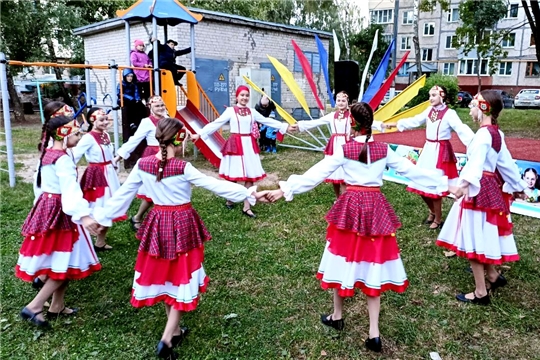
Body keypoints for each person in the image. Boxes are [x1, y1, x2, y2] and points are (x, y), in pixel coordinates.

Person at [264, 102, 449, 352]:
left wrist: (284, 189)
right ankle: (374, 333)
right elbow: (412, 171)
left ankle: (337, 316)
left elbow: (316, 173)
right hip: (375, 207)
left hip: (350, 207)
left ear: (352, 123)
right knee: (372, 263)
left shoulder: (344, 148)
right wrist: (449, 183)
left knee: (343, 259)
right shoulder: (383, 149)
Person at [93, 118, 268, 359]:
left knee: (167, 276)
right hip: (182, 224)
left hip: (157, 223)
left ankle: (174, 330)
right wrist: (249, 193)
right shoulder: (182, 167)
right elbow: (215, 185)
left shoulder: (143, 165)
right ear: (179, 139)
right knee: (181, 277)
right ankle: (166, 339)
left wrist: (102, 217)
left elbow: (123, 195)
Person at [436, 90, 527, 305]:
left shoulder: (483, 136)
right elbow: (506, 163)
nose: (470, 107)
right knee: (481, 233)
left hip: (477, 191)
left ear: (484, 108)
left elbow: (475, 166)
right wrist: (518, 186)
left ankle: (480, 292)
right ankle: (493, 276)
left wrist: (462, 186)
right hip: (489, 189)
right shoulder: (496, 133)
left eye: (474, 104)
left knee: (473, 238)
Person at [17, 114, 102, 329]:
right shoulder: (62, 159)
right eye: (75, 132)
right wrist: (84, 215)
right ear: (63, 134)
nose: (79, 134)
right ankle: (34, 306)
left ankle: (57, 304)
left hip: (48, 206)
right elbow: (70, 190)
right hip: (61, 212)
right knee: (63, 263)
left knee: (64, 260)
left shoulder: (49, 153)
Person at [191, 85, 297, 218]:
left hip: (248, 145)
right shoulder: (230, 111)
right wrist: (200, 134)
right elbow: (216, 123)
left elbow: (266, 120)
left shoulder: (252, 112)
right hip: (235, 145)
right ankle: (231, 198)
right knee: (234, 175)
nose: (244, 98)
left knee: (249, 175)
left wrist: (284, 127)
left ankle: (247, 206)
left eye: (247, 95)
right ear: (237, 97)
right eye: (242, 95)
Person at [384, 85, 475, 229]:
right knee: (420, 181)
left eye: (433, 95)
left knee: (435, 187)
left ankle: (438, 219)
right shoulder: (429, 111)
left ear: (442, 95)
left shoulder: (450, 113)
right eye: (429, 95)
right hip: (428, 150)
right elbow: (414, 120)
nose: (430, 98)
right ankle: (432, 211)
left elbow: (461, 128)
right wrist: (396, 124)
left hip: (441, 152)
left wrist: (474, 143)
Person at [296, 91, 384, 199]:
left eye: (343, 100)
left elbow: (366, 121)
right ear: (336, 102)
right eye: (338, 100)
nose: (341, 103)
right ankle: (338, 198)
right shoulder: (332, 116)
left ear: (348, 102)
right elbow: (317, 122)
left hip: (346, 143)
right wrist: (300, 125)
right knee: (334, 173)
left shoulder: (352, 116)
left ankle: (343, 199)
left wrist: (381, 125)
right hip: (334, 145)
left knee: (344, 175)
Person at [72, 107, 125, 251]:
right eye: (101, 120)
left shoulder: (105, 135)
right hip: (96, 175)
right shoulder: (88, 137)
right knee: (98, 206)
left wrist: (113, 162)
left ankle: (100, 242)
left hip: (109, 174)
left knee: (110, 206)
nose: (105, 122)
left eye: (106, 119)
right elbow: (75, 156)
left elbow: (109, 154)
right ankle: (83, 238)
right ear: (92, 120)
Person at [114, 96, 169, 230]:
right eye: (157, 106)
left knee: (166, 189)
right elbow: (135, 139)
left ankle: (163, 219)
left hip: (167, 155)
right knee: (153, 190)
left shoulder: (168, 120)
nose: (161, 108)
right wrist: (119, 156)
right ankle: (138, 217)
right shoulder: (146, 122)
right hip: (153, 156)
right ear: (150, 107)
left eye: (162, 105)